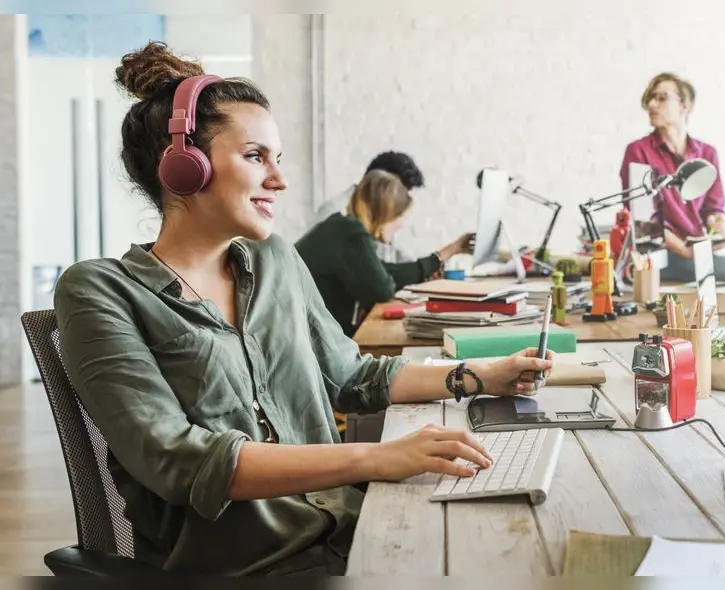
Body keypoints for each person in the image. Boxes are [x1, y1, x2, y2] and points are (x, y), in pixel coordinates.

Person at [53, 41, 554, 576]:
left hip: (346, 533)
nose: (279, 179)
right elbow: (181, 459)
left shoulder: (275, 259)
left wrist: (482, 376)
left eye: (278, 158)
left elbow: (353, 376)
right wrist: (377, 459)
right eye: (254, 156)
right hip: (250, 569)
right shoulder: (99, 292)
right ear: (182, 167)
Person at [296, 169, 474, 337]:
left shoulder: (342, 227)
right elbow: (381, 289)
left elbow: (382, 271)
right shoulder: (349, 231)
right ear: (384, 212)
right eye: (399, 215)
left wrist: (447, 252)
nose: (401, 224)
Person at [619, 72, 725, 284]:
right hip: (660, 252)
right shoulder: (638, 152)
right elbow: (644, 222)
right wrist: (687, 252)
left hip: (694, 249)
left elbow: (714, 207)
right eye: (650, 98)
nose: (651, 104)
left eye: (661, 98)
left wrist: (718, 221)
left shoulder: (707, 154)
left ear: (684, 106)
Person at [315, 151, 426, 263]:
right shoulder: (334, 213)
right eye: (399, 193)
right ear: (379, 184)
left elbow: (392, 259)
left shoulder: (380, 217)